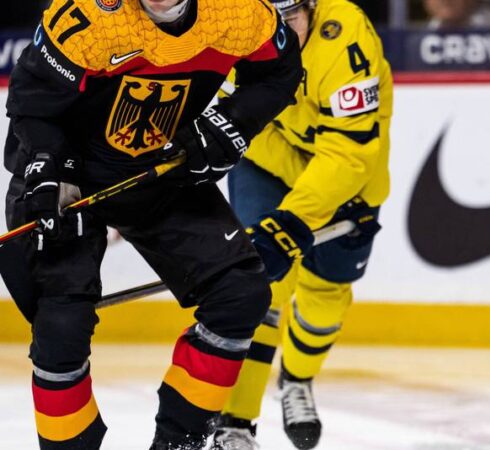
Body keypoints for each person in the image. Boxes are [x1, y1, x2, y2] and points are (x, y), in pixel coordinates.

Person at [3, 0, 302, 448]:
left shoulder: (238, 11)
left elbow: (280, 72)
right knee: (59, 329)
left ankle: (178, 444)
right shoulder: (87, 15)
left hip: (162, 169)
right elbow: (32, 105)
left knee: (240, 293)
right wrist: (48, 168)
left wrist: (232, 123)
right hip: (67, 174)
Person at [210, 0, 392, 449]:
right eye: (270, 23)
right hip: (266, 163)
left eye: (290, 19)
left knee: (324, 298)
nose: (281, 35)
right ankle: (235, 423)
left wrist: (292, 219)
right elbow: (223, 117)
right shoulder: (230, 28)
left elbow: (349, 151)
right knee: (257, 291)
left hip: (345, 178)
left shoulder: (344, 36)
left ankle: (296, 379)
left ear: (312, 7)